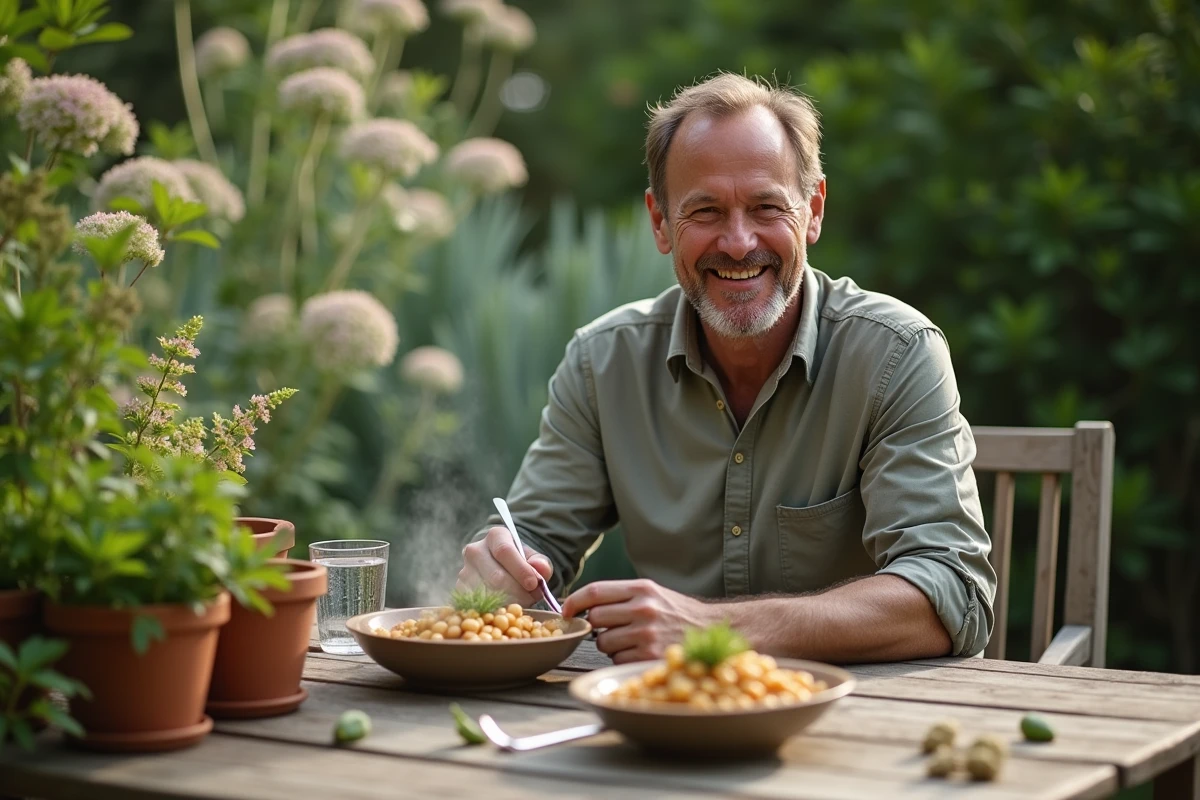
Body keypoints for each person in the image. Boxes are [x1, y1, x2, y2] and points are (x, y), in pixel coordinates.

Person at [458, 72, 996, 664]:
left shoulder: (895, 354)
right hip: (658, 713)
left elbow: (953, 593)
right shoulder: (601, 362)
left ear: (813, 210)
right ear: (661, 222)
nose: (738, 243)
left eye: (767, 207)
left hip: (858, 722)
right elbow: (535, 539)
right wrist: (507, 566)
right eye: (705, 211)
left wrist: (714, 629)